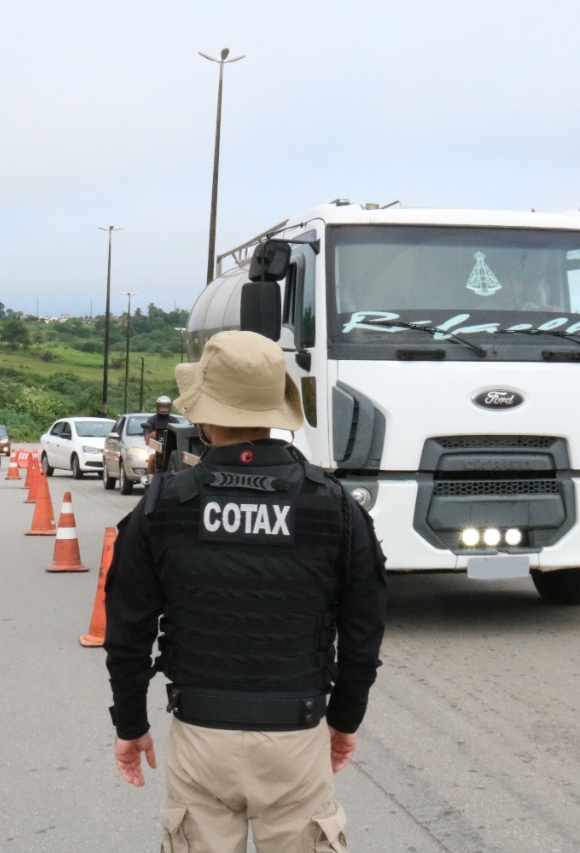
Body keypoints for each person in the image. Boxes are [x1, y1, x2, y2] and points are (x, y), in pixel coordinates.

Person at [104, 330, 388, 852]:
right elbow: (364, 627)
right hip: (296, 737)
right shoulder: (336, 508)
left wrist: (130, 723)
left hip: (200, 737)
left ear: (204, 412)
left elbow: (127, 629)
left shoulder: (163, 505)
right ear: (277, 405)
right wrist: (345, 720)